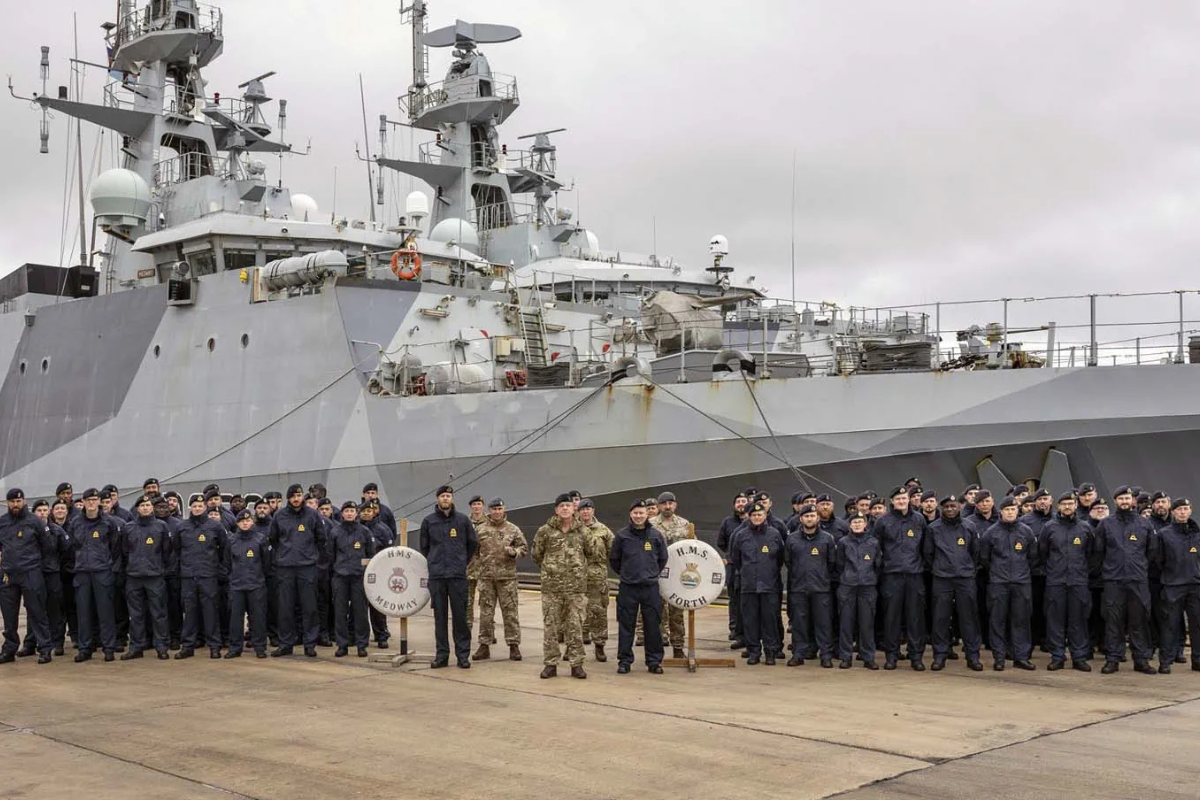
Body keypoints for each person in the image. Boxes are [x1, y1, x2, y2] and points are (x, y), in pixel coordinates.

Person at [1092, 486, 1157, 674]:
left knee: (1139, 621)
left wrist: (1140, 569)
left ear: (1133, 501)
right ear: (1115, 502)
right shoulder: (1106, 524)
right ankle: (1113, 658)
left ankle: (1141, 660)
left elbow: (1151, 552)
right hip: (1114, 580)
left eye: (1127, 498)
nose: (1125, 502)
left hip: (1137, 580)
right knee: (1114, 621)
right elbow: (1098, 552)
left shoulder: (1144, 524)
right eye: (1121, 499)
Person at [418, 486, 478, 669]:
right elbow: (425, 547)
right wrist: (435, 563)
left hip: (457, 575)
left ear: (452, 498)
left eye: (448, 496)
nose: (446, 498)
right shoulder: (428, 521)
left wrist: (461, 561)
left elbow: (472, 544)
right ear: (437, 499)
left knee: (460, 618)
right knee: (440, 618)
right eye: (443, 496)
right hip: (437, 577)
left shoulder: (462, 520)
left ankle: (462, 656)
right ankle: (442, 655)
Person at [924, 495, 983, 671]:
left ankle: (973, 656)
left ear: (959, 507)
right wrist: (939, 568)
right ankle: (940, 655)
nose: (950, 509)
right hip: (942, 579)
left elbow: (975, 552)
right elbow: (928, 554)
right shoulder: (933, 528)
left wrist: (967, 569)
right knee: (940, 619)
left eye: (953, 506)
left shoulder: (969, 527)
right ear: (942, 509)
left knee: (969, 618)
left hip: (965, 579)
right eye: (946, 506)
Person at [532, 493, 588, 679]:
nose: (565, 508)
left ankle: (576, 664)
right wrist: (552, 571)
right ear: (556, 510)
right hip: (552, 588)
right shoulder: (545, 531)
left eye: (568, 505)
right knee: (551, 627)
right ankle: (550, 664)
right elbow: (536, 555)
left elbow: (592, 553)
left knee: (575, 627)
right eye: (561, 506)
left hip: (576, 589)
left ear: (574, 509)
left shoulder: (583, 531)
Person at [609, 498, 668, 674]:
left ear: (647, 514)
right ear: (630, 514)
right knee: (626, 625)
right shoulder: (621, 536)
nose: (638, 516)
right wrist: (628, 574)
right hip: (629, 587)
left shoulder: (656, 535)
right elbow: (614, 560)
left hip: (650, 587)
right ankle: (625, 661)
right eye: (635, 513)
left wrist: (650, 573)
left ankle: (654, 661)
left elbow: (663, 558)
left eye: (641, 513)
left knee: (653, 626)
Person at [1037, 492, 1094, 671]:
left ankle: (1079, 657)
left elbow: (1092, 555)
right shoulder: (1049, 527)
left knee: (1078, 620)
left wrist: (1082, 572)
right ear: (1059, 506)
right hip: (1056, 582)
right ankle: (1057, 656)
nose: (1067, 507)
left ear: (1076, 505)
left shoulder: (1085, 528)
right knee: (1055, 621)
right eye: (1064, 504)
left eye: (1070, 503)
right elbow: (1042, 553)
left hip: (1078, 582)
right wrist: (1054, 571)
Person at [979, 497, 1037, 671]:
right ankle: (999, 657)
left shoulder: (1026, 532)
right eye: (1007, 509)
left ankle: (1021, 656)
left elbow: (1033, 557)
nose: (1010, 512)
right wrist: (998, 572)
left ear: (1017, 511)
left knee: (1021, 620)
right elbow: (984, 558)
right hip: (998, 583)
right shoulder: (991, 533)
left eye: (1013, 509)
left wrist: (1021, 572)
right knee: (997, 621)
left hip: (1021, 582)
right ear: (1001, 511)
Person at [874, 486, 928, 670]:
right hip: (892, 576)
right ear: (892, 501)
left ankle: (916, 656)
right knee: (892, 618)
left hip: (914, 575)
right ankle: (892, 655)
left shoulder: (919, 519)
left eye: (904, 498)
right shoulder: (883, 522)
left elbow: (924, 547)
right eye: (898, 499)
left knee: (915, 618)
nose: (902, 501)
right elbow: (876, 549)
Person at [269, 484, 325, 658]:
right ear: (288, 498)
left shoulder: (312, 515)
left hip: (306, 567)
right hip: (285, 568)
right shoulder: (279, 516)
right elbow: (274, 539)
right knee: (285, 608)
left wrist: (310, 556)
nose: (296, 498)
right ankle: (286, 643)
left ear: (303, 497)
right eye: (293, 496)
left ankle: (310, 644)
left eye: (299, 495)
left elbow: (321, 538)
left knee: (309, 607)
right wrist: (284, 556)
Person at [0, 489, 55, 664]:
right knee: (9, 616)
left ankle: (45, 649)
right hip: (8, 574)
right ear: (7, 503)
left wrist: (37, 566)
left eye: (18, 501)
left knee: (37, 613)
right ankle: (9, 649)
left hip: (31, 573)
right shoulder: (2, 522)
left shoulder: (34, 522)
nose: (15, 505)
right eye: (12, 502)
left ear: (23, 501)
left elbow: (47, 547)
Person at [69, 488, 122, 662]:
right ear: (83, 502)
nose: (91, 503)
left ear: (99, 501)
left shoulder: (109, 522)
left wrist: (108, 567)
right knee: (83, 612)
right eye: (88, 499)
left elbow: (115, 548)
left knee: (105, 612)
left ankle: (108, 648)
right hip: (82, 573)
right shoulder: (75, 522)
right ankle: (85, 648)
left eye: (94, 499)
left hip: (102, 572)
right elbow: (72, 548)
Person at [472, 498, 527, 662]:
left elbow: (524, 548)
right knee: (486, 614)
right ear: (489, 511)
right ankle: (484, 645)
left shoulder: (513, 529)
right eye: (494, 509)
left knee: (510, 614)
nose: (497, 512)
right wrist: (479, 567)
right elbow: (473, 551)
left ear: (504, 510)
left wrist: (514, 552)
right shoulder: (480, 530)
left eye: (499, 509)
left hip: (507, 578)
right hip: (486, 578)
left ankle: (514, 645)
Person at [729, 501, 784, 665]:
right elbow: (736, 559)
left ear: (765, 515)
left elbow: (780, 558)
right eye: (754, 515)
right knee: (750, 620)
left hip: (770, 585)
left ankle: (770, 652)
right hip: (749, 585)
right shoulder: (741, 535)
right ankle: (754, 652)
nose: (757, 517)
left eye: (760, 514)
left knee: (770, 620)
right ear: (749, 516)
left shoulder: (774, 534)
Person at [783, 503, 836, 667]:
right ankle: (798, 654)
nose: (810, 519)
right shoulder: (792, 539)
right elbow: (788, 561)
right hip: (799, 589)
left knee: (823, 624)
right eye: (806, 516)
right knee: (799, 623)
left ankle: (826, 655)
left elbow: (832, 563)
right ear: (801, 519)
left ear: (817, 518)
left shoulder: (827, 538)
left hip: (821, 589)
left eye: (812, 516)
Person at [119, 494, 171, 660]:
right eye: (142, 506)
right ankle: (136, 647)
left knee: (158, 613)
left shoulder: (161, 527)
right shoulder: (128, 528)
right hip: (134, 576)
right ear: (137, 508)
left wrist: (160, 569)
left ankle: (161, 646)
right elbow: (124, 551)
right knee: (136, 615)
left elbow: (167, 552)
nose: (146, 508)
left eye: (148, 505)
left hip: (154, 576)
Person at [177, 495, 227, 659]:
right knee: (189, 612)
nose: (197, 508)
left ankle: (214, 645)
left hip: (208, 576)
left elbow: (223, 550)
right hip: (188, 576)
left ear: (205, 507)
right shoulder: (182, 527)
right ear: (190, 508)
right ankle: (188, 645)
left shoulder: (215, 527)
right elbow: (176, 549)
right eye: (194, 506)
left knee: (210, 611)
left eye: (200, 505)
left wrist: (217, 569)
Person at [21, 500, 71, 658]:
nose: (42, 513)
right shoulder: (27, 530)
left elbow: (66, 552)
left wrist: (56, 567)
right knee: (33, 610)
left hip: (52, 575)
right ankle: (30, 643)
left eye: (44, 510)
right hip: (34, 574)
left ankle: (57, 643)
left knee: (55, 609)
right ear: (34, 513)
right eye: (39, 510)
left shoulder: (56, 531)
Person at [1155, 497, 1200, 674]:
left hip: (1195, 585)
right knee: (1170, 625)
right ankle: (1165, 661)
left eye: (1186, 509)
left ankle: (1197, 660)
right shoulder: (1164, 534)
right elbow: (1158, 560)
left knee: (1197, 625)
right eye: (1179, 509)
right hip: (1173, 585)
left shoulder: (1197, 534)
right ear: (1173, 512)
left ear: (1190, 511)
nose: (1183, 512)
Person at [327, 502, 374, 658]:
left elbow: (370, 555)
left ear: (357, 513)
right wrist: (336, 569)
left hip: (358, 577)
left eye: (352, 511)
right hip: (340, 577)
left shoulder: (364, 532)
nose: (349, 513)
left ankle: (361, 645)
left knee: (360, 612)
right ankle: (342, 645)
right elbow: (330, 555)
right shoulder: (335, 532)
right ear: (342, 513)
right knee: (340, 613)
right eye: (346, 511)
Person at [648, 491, 690, 659]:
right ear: (658, 506)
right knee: (656, 612)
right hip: (656, 574)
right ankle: (656, 649)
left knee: (677, 613)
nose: (667, 506)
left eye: (670, 503)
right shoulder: (650, 524)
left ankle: (678, 647)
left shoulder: (684, 524)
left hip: (677, 575)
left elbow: (692, 546)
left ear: (675, 505)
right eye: (664, 503)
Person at [836, 513, 880, 669]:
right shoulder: (843, 543)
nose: (857, 524)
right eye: (854, 522)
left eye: (860, 521)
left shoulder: (874, 542)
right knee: (846, 623)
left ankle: (868, 657)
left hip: (867, 587)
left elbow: (877, 565)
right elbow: (839, 564)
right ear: (850, 525)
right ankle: (846, 657)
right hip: (848, 587)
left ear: (865, 524)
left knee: (867, 624)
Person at [225, 509, 271, 659]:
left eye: (248, 520)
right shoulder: (231, 540)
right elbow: (226, 562)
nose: (245, 523)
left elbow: (266, 563)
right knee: (235, 620)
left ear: (252, 522)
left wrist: (260, 579)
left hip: (256, 585)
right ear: (237, 523)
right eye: (242, 521)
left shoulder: (260, 539)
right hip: (237, 585)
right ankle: (235, 648)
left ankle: (260, 647)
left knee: (257, 618)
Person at [578, 499, 614, 662]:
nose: (586, 512)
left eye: (588, 509)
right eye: (583, 509)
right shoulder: (571, 528)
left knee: (598, 612)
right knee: (574, 613)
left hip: (597, 576)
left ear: (593, 511)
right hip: (575, 577)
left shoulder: (603, 530)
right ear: (578, 512)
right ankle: (574, 647)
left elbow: (614, 551)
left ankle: (599, 645)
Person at [360, 501, 395, 648]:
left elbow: (389, 551)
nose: (367, 513)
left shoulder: (383, 529)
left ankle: (381, 635)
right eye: (365, 511)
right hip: (359, 572)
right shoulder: (356, 529)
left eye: (371, 511)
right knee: (359, 606)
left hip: (378, 572)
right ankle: (360, 636)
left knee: (377, 606)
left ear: (375, 512)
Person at [717, 493, 749, 648]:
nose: (741, 504)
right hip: (732, 566)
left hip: (749, 566)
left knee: (748, 600)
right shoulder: (727, 522)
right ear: (734, 505)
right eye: (738, 501)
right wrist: (731, 555)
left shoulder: (754, 522)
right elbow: (721, 542)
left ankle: (749, 631)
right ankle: (735, 629)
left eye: (744, 501)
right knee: (734, 598)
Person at [465, 495, 487, 642]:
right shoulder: (465, 522)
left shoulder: (489, 522)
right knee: (467, 602)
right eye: (474, 504)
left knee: (486, 603)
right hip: (469, 568)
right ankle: (467, 631)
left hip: (486, 569)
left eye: (479, 504)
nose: (477, 507)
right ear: (471, 507)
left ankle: (487, 633)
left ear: (482, 506)